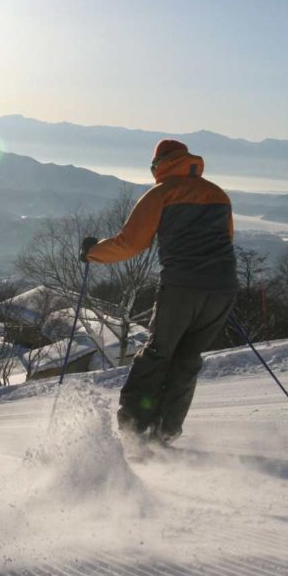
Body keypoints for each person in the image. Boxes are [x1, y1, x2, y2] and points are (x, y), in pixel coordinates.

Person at [80, 139, 237, 444]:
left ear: (159, 164)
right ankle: (166, 431)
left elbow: (131, 243)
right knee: (188, 357)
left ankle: (134, 429)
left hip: (182, 287)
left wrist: (92, 252)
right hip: (223, 288)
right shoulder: (218, 194)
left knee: (158, 353)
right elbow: (226, 239)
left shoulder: (162, 193)